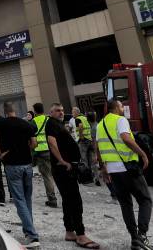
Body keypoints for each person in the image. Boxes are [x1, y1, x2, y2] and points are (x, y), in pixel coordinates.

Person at [98, 98, 153, 250]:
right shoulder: (120, 120)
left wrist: (103, 168)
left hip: (113, 171)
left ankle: (134, 238)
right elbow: (126, 138)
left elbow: (97, 146)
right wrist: (142, 153)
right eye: (122, 106)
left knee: (126, 204)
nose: (123, 108)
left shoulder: (100, 124)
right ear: (116, 107)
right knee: (145, 200)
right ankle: (141, 236)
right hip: (127, 167)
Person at [46, 104, 99, 248]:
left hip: (67, 168)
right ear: (51, 112)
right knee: (75, 201)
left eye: (63, 110)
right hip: (63, 169)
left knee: (68, 200)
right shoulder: (51, 124)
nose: (61, 113)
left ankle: (70, 231)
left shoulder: (58, 124)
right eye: (57, 110)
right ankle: (81, 235)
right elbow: (51, 143)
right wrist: (62, 161)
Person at [0, 102, 40, 248]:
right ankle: (28, 229)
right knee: (27, 198)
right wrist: (26, 149)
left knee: (19, 199)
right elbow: (35, 143)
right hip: (27, 165)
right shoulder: (26, 124)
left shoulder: (2, 124)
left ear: (4, 111)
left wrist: (0, 154)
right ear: (15, 110)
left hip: (12, 165)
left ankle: (32, 235)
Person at [30, 102, 59, 207]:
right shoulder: (49, 120)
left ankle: (52, 199)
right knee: (55, 174)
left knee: (47, 176)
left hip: (41, 152)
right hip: (53, 150)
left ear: (35, 111)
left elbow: (31, 139)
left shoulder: (33, 122)